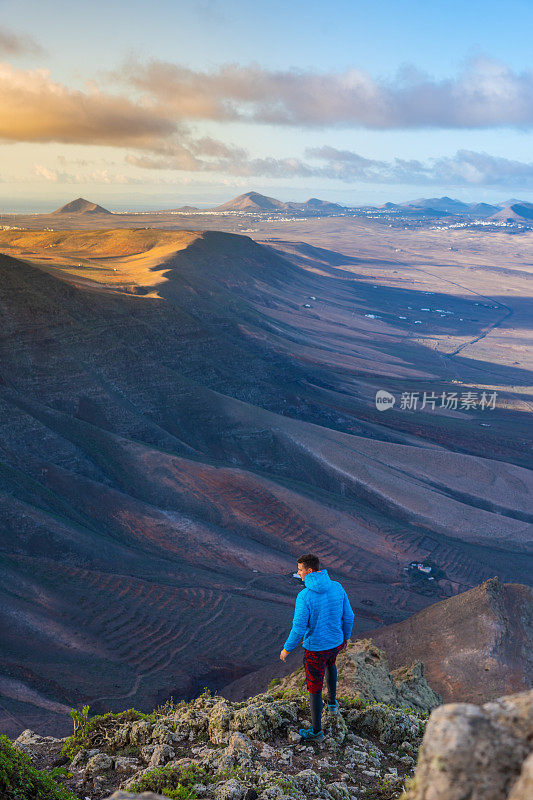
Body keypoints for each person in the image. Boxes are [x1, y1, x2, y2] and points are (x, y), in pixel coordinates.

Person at [280, 553, 355, 740]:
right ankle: (331, 703)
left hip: (316, 649)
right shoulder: (337, 587)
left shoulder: (304, 596)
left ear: (310, 570)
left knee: (314, 687)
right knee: (331, 666)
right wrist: (345, 637)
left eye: (300, 570)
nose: (299, 574)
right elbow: (349, 616)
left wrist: (287, 648)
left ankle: (316, 731)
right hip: (335, 643)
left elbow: (298, 628)